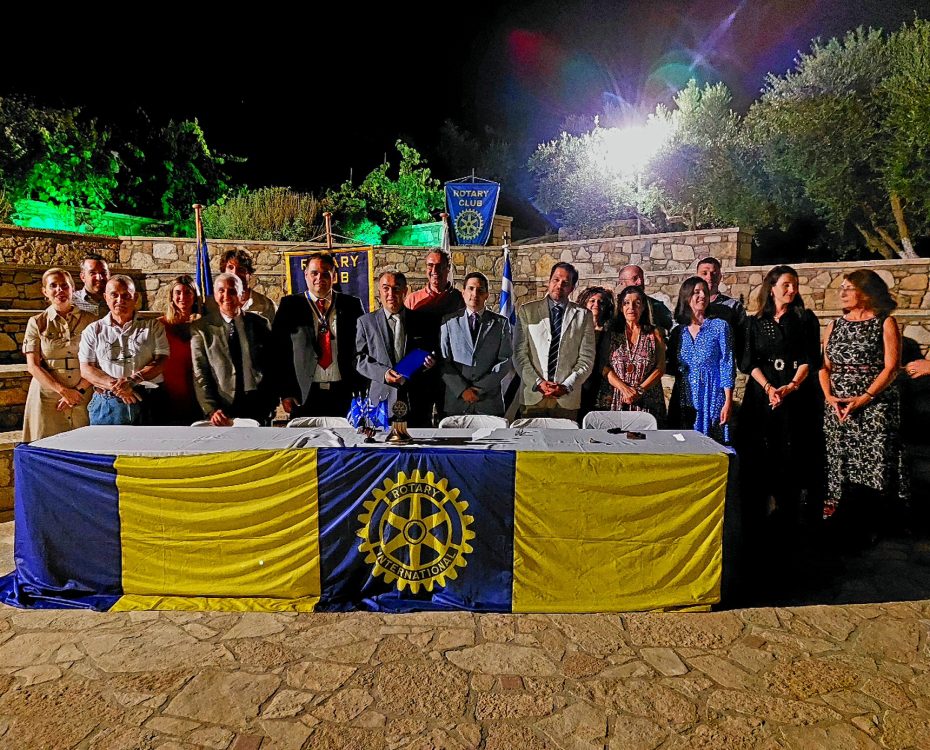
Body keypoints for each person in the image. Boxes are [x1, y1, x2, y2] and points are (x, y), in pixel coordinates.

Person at [820, 269, 907, 531]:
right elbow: (824, 366)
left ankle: (876, 519)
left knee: (875, 461)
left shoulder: (885, 323)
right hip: (838, 407)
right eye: (841, 288)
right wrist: (829, 397)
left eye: (849, 288)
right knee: (840, 459)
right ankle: (841, 516)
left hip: (875, 406)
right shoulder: (834, 325)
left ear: (866, 293)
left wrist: (865, 398)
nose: (842, 293)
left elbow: (891, 367)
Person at [738, 265, 822, 526]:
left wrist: (792, 386)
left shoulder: (805, 320)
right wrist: (769, 389)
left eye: (795, 284)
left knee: (791, 451)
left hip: (795, 394)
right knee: (759, 450)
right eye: (786, 284)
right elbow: (749, 361)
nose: (792, 289)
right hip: (761, 395)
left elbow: (810, 358)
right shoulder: (754, 322)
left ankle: (789, 516)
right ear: (772, 288)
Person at [273, 252, 365, 418]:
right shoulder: (290, 306)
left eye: (325, 274)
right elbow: (279, 352)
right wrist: (285, 392)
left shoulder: (351, 305)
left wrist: (361, 389)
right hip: (303, 395)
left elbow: (362, 348)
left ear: (334, 276)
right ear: (306, 275)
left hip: (343, 393)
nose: (319, 278)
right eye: (314, 273)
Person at [79, 275, 169, 425]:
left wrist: (133, 381)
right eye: (114, 295)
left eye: (126, 295)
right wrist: (118, 387)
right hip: (107, 405)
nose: (120, 300)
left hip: (148, 402)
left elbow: (161, 361)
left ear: (135, 297)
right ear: (105, 297)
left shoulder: (153, 327)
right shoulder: (93, 330)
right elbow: (86, 369)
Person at [514, 262, 596, 421]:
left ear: (572, 288)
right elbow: (519, 354)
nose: (559, 285)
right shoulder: (527, 311)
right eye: (556, 280)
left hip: (566, 398)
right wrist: (538, 383)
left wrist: (566, 386)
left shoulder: (583, 316)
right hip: (534, 396)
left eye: (565, 283)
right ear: (549, 281)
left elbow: (586, 359)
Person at [191, 273, 276, 426]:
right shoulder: (201, 329)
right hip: (223, 406)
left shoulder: (260, 323)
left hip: (257, 404)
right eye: (221, 291)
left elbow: (272, 365)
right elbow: (200, 373)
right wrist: (211, 409)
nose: (226, 296)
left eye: (232, 291)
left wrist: (271, 403)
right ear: (215, 295)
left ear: (241, 294)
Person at [21, 268, 96, 441]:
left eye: (64, 285)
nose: (59, 290)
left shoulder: (91, 321)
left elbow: (98, 362)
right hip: (47, 396)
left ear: (73, 289)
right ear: (44, 291)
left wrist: (78, 391)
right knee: (47, 446)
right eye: (53, 286)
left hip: (83, 394)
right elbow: (33, 365)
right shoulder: (36, 323)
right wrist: (63, 391)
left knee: (84, 445)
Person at [356, 271, 435, 425]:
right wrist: (383, 373)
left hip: (416, 401)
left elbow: (433, 353)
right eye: (386, 288)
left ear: (405, 291)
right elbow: (359, 359)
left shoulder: (424, 321)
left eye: (396, 288)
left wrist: (430, 364)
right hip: (380, 402)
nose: (391, 294)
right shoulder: (365, 322)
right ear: (379, 292)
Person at [666, 276, 734, 442]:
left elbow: (727, 364)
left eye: (705, 292)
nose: (702, 295)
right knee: (682, 443)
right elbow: (671, 365)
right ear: (686, 296)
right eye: (696, 292)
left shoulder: (720, 326)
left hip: (712, 395)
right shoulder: (678, 332)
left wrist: (728, 402)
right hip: (684, 395)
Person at [404, 248, 465, 425]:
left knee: (451, 424)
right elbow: (405, 340)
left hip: (451, 374)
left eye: (439, 266)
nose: (434, 270)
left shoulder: (460, 300)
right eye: (430, 265)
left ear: (448, 268)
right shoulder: (413, 300)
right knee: (418, 423)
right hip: (420, 374)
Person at [440, 272, 513, 416]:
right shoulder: (449, 322)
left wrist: (479, 389)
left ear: (487, 295)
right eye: (471, 288)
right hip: (457, 402)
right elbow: (444, 361)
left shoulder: (501, 323)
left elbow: (505, 360)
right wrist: (462, 390)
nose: (475, 294)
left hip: (488, 402)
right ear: (463, 292)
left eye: (480, 290)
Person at [598, 285, 667, 424]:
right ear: (621, 307)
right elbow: (603, 366)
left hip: (647, 398)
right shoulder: (611, 333)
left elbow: (660, 367)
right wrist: (625, 389)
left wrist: (639, 390)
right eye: (626, 303)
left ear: (643, 307)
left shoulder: (654, 333)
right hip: (618, 396)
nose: (631, 307)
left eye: (637, 303)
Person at [157, 275, 203, 426]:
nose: (182, 297)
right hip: (168, 392)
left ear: (195, 296)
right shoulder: (159, 325)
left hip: (198, 392)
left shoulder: (204, 325)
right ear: (171, 296)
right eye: (178, 292)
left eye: (188, 292)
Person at [576, 286, 615, 420]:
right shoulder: (576, 329)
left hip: (603, 383)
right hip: (581, 381)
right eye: (592, 301)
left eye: (601, 302)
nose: (596, 304)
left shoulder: (610, 332)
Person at [696, 256, 746, 357]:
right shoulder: (690, 305)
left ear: (720, 277)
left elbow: (743, 338)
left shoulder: (733, 306)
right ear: (697, 277)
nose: (709, 277)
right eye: (704, 273)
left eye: (714, 273)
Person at [221, 249, 277, 327]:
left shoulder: (267, 306)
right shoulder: (213, 306)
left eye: (240, 269)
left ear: (249, 274)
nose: (235, 273)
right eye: (230, 267)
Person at [616, 264, 673, 333]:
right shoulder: (613, 307)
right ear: (622, 283)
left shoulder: (657, 306)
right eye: (635, 278)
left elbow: (670, 327)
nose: (640, 282)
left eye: (641, 278)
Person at [72, 253, 110, 318]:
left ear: (109, 275)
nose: (99, 278)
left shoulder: (117, 300)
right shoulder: (71, 301)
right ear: (83, 277)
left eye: (104, 273)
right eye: (92, 273)